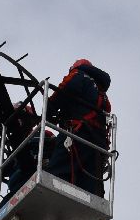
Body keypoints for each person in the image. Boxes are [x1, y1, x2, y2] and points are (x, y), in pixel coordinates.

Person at [42, 59, 112, 196]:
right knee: (90, 183)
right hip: (98, 144)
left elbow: (64, 89)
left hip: (77, 134)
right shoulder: (102, 93)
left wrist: (50, 109)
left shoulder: (79, 74)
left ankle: (50, 196)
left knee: (58, 170)